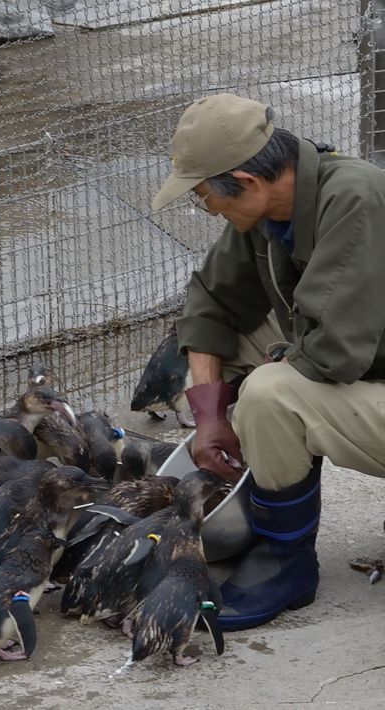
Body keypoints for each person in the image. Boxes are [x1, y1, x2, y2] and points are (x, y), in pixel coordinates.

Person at [151, 93, 385, 631]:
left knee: (270, 393)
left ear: (247, 181)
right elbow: (211, 303)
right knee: (227, 348)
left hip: (357, 362)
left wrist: (269, 373)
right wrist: (209, 414)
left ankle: (287, 558)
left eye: (206, 197)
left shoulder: (354, 197)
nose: (208, 209)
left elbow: (333, 353)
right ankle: (268, 509)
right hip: (369, 369)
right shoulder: (268, 212)